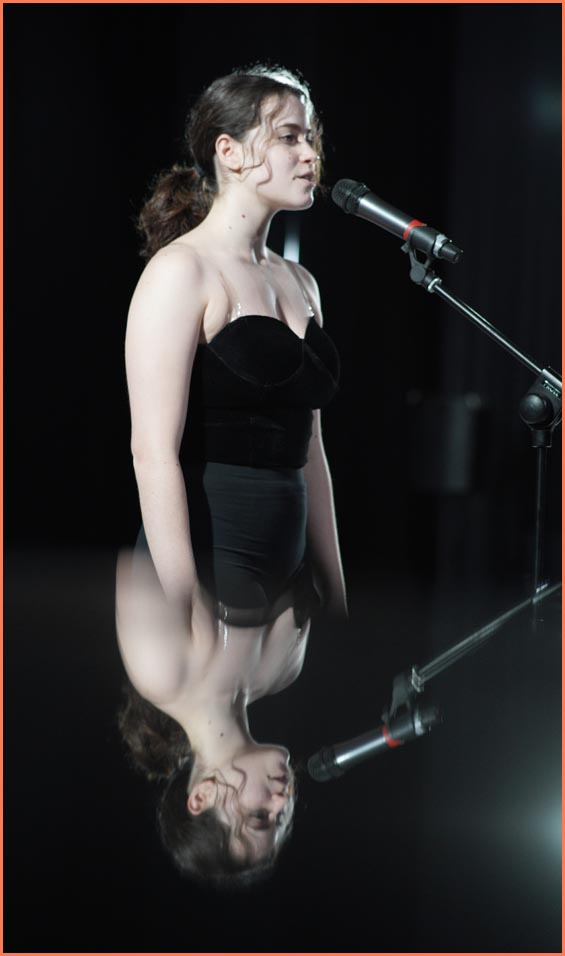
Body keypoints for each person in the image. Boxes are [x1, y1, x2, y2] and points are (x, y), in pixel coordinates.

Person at [118, 64, 347, 885]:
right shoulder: (181, 272)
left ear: (203, 796)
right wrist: (189, 599)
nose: (309, 154)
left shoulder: (299, 281)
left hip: (264, 549)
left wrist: (337, 580)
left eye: (305, 136)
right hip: (212, 540)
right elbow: (152, 451)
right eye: (291, 136)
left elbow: (311, 446)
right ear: (230, 153)